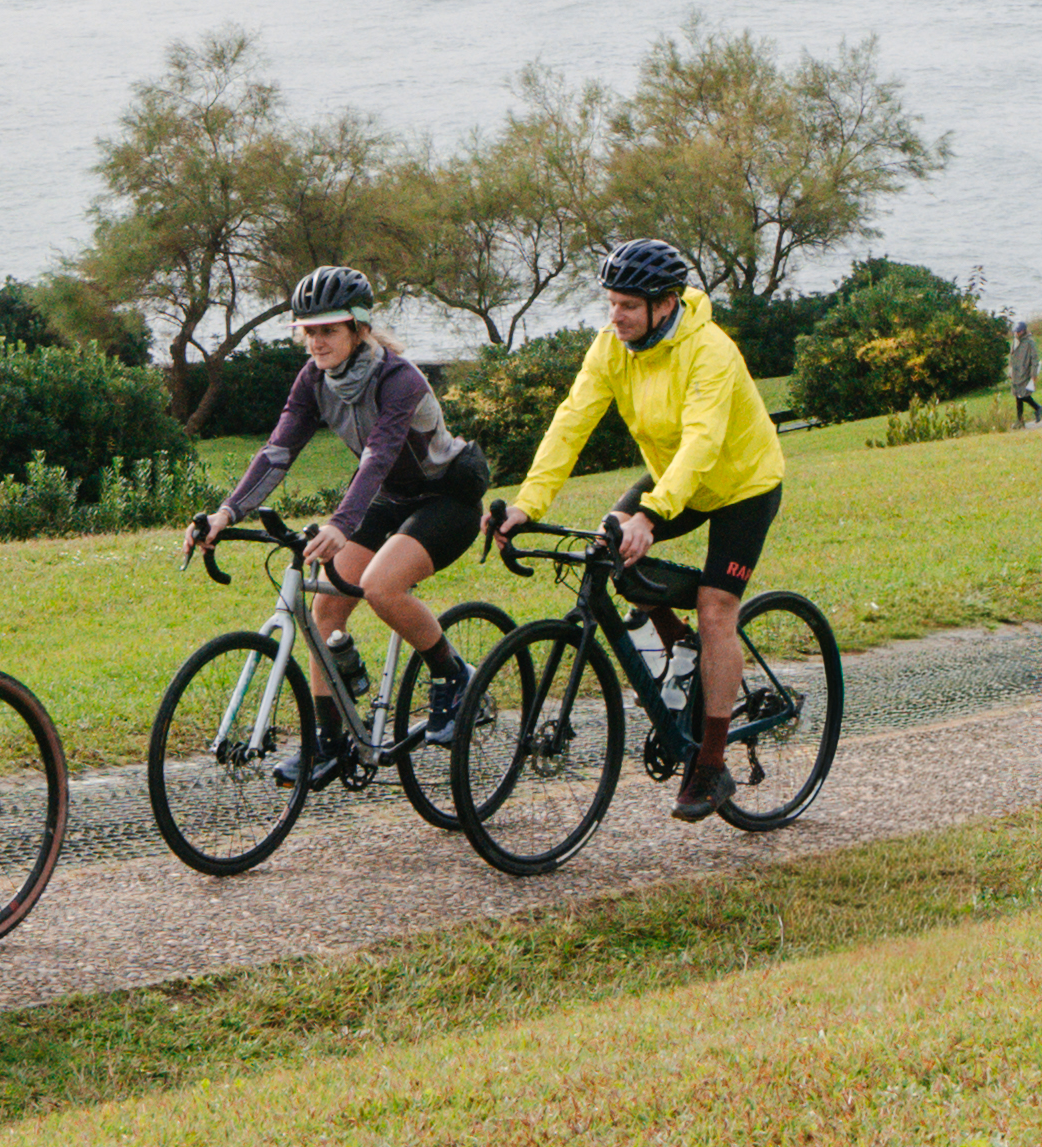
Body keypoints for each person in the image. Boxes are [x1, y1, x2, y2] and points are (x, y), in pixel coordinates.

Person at [509, 235, 789, 824]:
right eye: (611, 303)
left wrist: (653, 514)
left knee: (717, 608)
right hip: (673, 479)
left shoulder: (708, 349)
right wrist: (527, 504)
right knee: (611, 544)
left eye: (628, 306)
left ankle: (711, 764)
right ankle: (678, 640)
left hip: (742, 484)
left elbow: (703, 442)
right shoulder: (612, 347)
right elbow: (571, 421)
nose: (616, 317)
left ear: (665, 304)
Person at [188, 263, 491, 782]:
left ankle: (456, 676)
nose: (316, 342)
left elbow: (378, 454)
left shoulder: (400, 378)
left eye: (328, 329)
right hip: (390, 498)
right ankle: (329, 746)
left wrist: (341, 524)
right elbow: (278, 451)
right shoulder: (314, 379)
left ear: (358, 328)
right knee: (326, 605)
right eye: (307, 331)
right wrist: (226, 512)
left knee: (381, 587)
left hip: (447, 499)